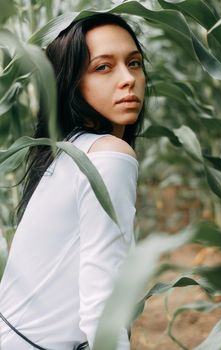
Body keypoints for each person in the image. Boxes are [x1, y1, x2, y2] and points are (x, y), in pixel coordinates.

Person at [0, 12, 148, 350]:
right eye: (103, 67)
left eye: (135, 63)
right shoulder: (108, 156)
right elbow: (102, 302)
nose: (128, 79)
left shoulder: (68, 152)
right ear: (72, 82)